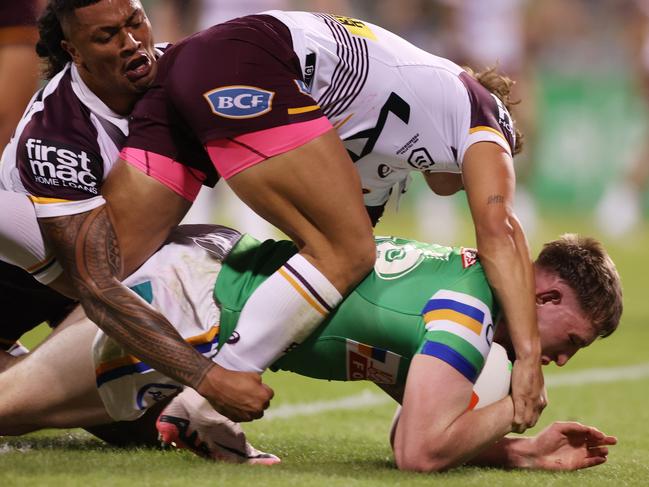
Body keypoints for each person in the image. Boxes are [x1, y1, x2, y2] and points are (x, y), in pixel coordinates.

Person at [7, 8, 545, 432]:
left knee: (108, 272)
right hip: (244, 61)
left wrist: (405, 372)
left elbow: (325, 283)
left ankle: (27, 379)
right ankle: (211, 396)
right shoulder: (483, 115)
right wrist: (527, 355)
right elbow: (501, 234)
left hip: (195, 70)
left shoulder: (390, 151)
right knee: (347, 249)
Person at [0, 224, 622, 471]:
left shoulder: (461, 285)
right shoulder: (466, 314)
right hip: (193, 311)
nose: (559, 360)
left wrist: (518, 452)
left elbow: (426, 417)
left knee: (59, 405)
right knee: (8, 406)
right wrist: (514, 407)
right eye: (570, 342)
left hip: (205, 276)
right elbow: (418, 452)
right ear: (545, 298)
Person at [0, 0, 276, 421]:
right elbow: (96, 283)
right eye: (106, 36)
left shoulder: (188, 72)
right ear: (74, 51)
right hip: (33, 278)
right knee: (16, 407)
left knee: (150, 423)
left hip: (94, 272)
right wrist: (208, 378)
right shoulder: (56, 138)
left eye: (135, 23)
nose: (132, 43)